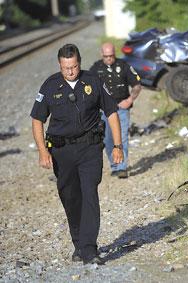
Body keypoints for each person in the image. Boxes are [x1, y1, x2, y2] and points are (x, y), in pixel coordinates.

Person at [30, 43, 123, 265]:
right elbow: (36, 120)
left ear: (79, 63)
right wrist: (43, 151)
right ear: (60, 65)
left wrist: (118, 146)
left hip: (90, 148)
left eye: (73, 67)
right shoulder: (50, 85)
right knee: (71, 197)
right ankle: (79, 244)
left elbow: (111, 113)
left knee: (89, 192)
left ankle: (90, 248)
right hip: (61, 151)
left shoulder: (93, 81)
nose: (70, 72)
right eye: (65, 68)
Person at [90, 42, 141, 178]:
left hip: (121, 108)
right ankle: (115, 165)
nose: (109, 59)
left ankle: (122, 167)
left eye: (111, 56)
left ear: (115, 54)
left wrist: (130, 100)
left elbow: (136, 85)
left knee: (122, 137)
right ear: (102, 54)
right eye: (106, 56)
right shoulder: (95, 68)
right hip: (105, 110)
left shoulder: (123, 66)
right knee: (108, 140)